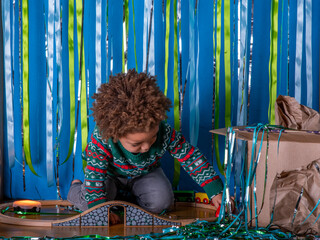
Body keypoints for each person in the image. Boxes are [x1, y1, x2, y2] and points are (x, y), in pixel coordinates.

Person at [67, 69, 225, 223]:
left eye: (153, 137)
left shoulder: (165, 132)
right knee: (90, 203)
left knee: (162, 202)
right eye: (136, 144)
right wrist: (99, 210)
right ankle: (75, 189)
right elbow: (95, 176)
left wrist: (214, 189)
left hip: (144, 173)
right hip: (110, 175)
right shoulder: (102, 138)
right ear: (114, 134)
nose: (146, 147)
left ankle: (127, 197)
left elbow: (190, 157)